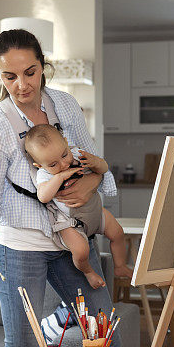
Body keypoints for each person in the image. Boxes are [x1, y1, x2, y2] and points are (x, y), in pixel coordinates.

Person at [0, 29, 128, 347]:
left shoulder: (65, 105)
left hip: (71, 237)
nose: (22, 85)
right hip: (20, 244)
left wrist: (90, 184)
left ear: (43, 67)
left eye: (30, 72)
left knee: (103, 333)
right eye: (10, 76)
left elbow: (92, 163)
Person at [23, 124, 129, 290]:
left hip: (95, 212)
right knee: (81, 252)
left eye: (64, 155)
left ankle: (120, 265)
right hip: (70, 222)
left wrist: (95, 162)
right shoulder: (44, 175)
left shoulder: (78, 154)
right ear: (39, 165)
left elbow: (104, 168)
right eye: (53, 164)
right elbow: (43, 196)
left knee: (118, 233)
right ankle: (88, 272)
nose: (63, 164)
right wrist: (60, 177)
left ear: (66, 143)